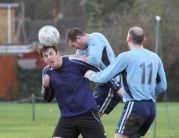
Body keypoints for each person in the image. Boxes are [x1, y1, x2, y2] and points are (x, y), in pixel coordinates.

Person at [84, 26, 167, 138]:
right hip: (151, 108)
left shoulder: (126, 57)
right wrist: (146, 91)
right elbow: (162, 86)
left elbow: (104, 77)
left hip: (135, 106)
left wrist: (90, 75)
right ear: (144, 40)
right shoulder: (155, 57)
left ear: (128, 38)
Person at [38, 44, 121, 138]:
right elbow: (48, 98)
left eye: (51, 53)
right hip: (67, 118)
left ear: (57, 53)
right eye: (46, 56)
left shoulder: (76, 63)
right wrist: (46, 86)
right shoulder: (46, 72)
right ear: (44, 59)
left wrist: (117, 88)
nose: (49, 57)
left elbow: (102, 73)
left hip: (87, 115)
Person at [65, 27, 121, 117]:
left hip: (111, 84)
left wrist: (79, 57)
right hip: (100, 85)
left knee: (92, 118)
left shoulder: (96, 37)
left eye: (73, 45)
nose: (75, 48)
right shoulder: (81, 49)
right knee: (89, 119)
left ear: (79, 38)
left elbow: (95, 61)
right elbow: (80, 65)